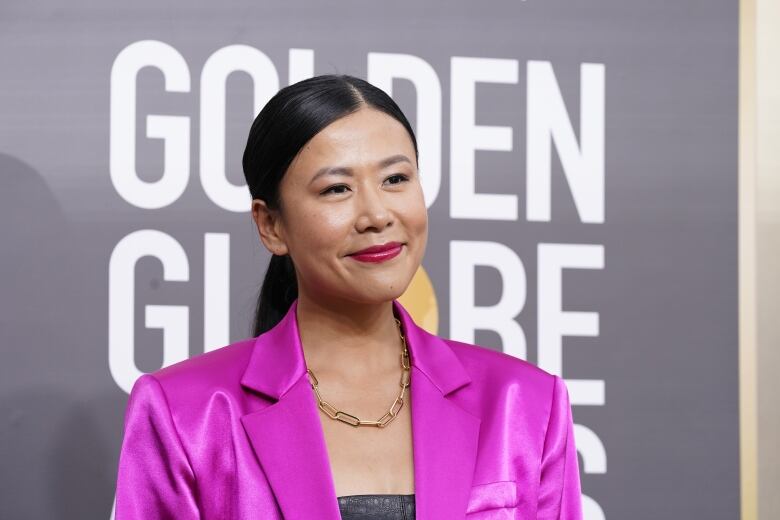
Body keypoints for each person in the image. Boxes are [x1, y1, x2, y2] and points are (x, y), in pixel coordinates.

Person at [114, 74, 583, 519]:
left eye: (396, 179)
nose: (376, 214)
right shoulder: (186, 413)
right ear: (271, 225)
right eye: (337, 189)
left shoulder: (525, 404)